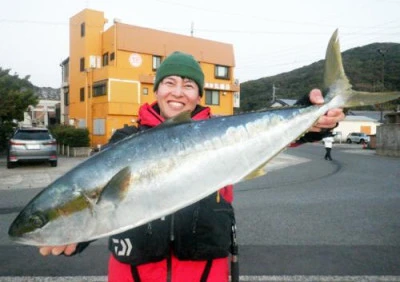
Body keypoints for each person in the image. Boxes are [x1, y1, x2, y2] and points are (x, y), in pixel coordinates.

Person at [39, 51, 345, 282]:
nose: (177, 91)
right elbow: (102, 197)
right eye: (169, 82)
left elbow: (272, 135)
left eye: (188, 85)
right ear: (156, 90)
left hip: (203, 271)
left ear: (198, 94)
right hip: (135, 273)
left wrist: (311, 118)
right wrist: (76, 234)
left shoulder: (221, 132)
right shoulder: (125, 140)